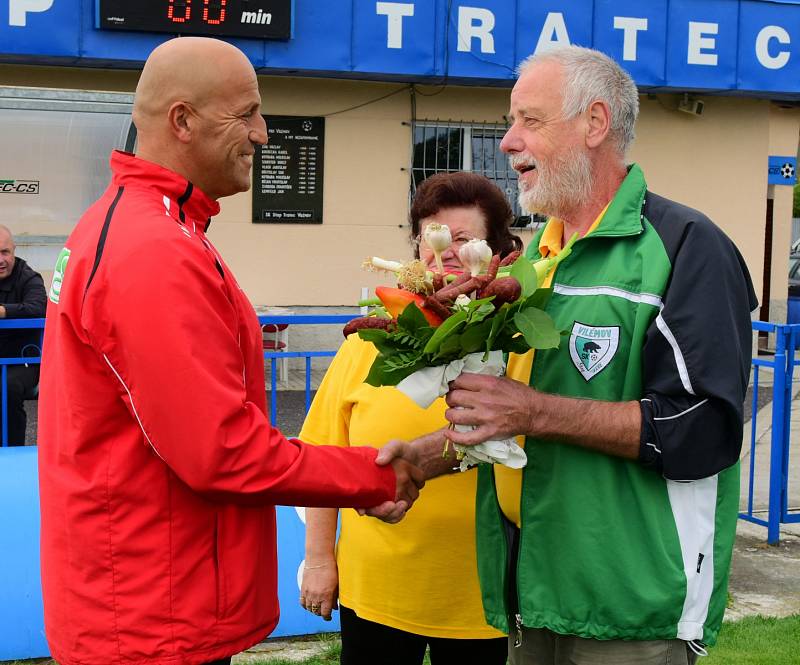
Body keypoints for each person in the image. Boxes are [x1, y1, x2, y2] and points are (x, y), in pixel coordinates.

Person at [37, 37, 432, 665]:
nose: (263, 134)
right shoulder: (154, 249)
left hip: (150, 596)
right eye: (245, 113)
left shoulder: (150, 227)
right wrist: (375, 474)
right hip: (151, 615)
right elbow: (220, 451)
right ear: (182, 121)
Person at [443, 46, 758, 665]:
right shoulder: (536, 259)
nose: (506, 142)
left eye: (529, 120)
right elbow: (514, 415)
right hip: (533, 590)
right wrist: (428, 456)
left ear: (594, 123)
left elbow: (702, 431)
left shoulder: (688, 247)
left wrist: (534, 412)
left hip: (630, 608)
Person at [300, 172, 520, 665]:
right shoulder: (369, 342)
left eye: (463, 241)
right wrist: (318, 560)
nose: (443, 256)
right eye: (430, 241)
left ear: (497, 253)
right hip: (376, 587)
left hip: (479, 594)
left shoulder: (512, 345)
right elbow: (323, 458)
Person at [0, 225, 46, 446]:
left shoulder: (29, 278)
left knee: (6, 387)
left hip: (22, 362)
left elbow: (40, 306)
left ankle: (11, 452)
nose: (0, 259)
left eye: (5, 252)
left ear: (14, 250)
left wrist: (4, 311)